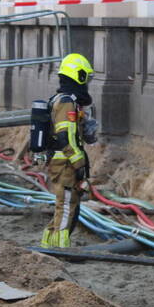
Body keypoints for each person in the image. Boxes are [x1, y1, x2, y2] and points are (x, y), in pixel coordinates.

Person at [40, 53, 98, 248]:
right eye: (86, 78)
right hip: (65, 163)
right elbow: (66, 136)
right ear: (78, 76)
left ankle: (48, 244)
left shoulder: (65, 100)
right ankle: (61, 247)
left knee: (65, 205)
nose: (87, 83)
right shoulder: (66, 102)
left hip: (63, 162)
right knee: (66, 206)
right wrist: (79, 163)